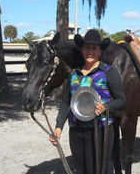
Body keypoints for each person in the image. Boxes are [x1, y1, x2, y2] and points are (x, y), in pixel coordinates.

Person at [49, 29, 126, 174]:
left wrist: (106, 107)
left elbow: (122, 100)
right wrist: (59, 126)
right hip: (76, 130)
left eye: (94, 48)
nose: (90, 51)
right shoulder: (73, 74)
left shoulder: (108, 72)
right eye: (87, 47)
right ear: (81, 49)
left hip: (100, 130)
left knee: (98, 169)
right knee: (81, 168)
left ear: (99, 50)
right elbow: (66, 102)